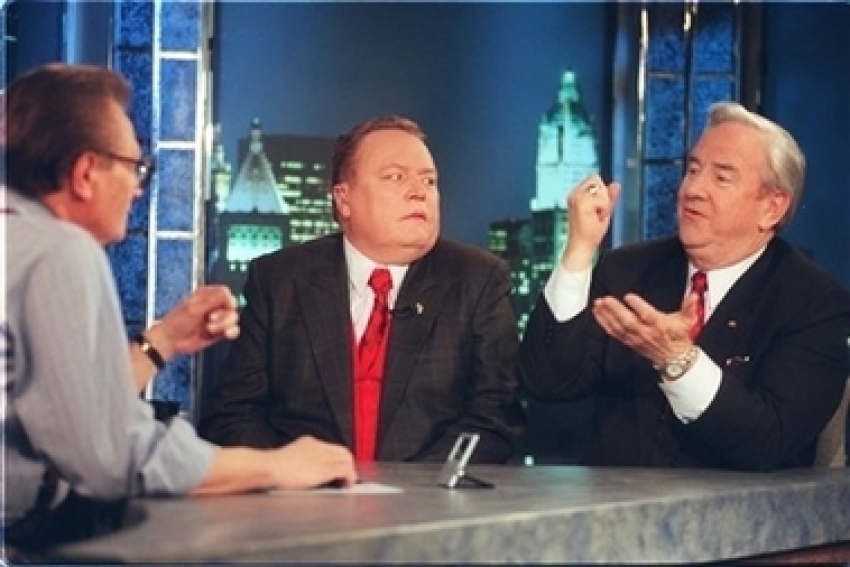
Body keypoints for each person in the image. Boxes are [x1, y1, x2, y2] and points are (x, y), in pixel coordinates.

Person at [2, 63, 357, 550]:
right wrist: (280, 465)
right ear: (85, 173)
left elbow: (63, 409)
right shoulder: (60, 250)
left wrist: (164, 340)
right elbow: (108, 456)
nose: (137, 188)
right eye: (133, 167)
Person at [519, 101, 850, 471]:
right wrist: (579, 251)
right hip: (611, 513)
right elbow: (548, 381)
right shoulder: (629, 269)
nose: (693, 189)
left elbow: (769, 441)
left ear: (771, 208)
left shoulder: (815, 304)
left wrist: (678, 361)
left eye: (721, 177)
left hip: (739, 518)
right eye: (693, 170)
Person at [198, 115, 523, 463]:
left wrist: (414, 494)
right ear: (344, 198)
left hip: (428, 507)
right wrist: (291, 477)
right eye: (395, 177)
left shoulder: (478, 280)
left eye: (429, 181)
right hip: (302, 505)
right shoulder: (280, 280)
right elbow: (234, 414)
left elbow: (495, 419)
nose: (419, 191)